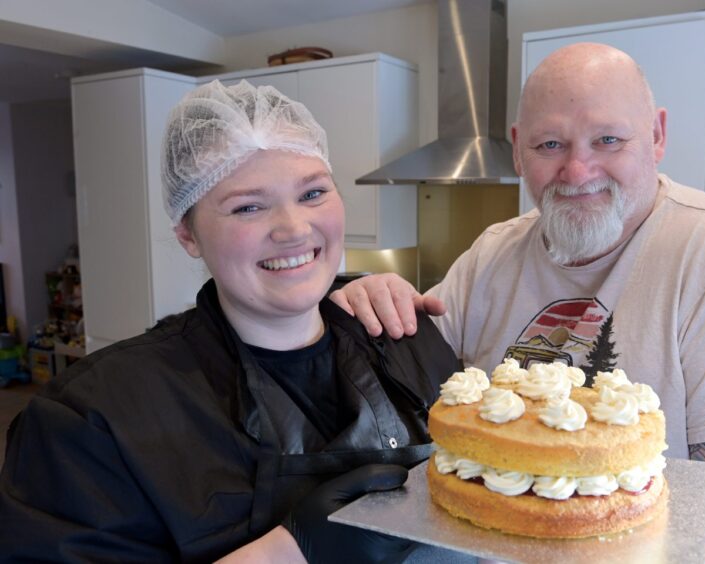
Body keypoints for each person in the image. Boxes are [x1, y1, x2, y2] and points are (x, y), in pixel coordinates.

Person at [332, 43, 705, 563]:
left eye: (608, 139)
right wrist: (366, 307)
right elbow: (409, 394)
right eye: (550, 144)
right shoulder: (492, 254)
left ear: (656, 136)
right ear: (519, 150)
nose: (577, 170)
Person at [0, 80, 461, 562]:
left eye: (313, 193)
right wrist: (290, 549)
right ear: (187, 235)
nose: (294, 229)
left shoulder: (407, 340)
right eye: (248, 206)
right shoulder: (93, 420)